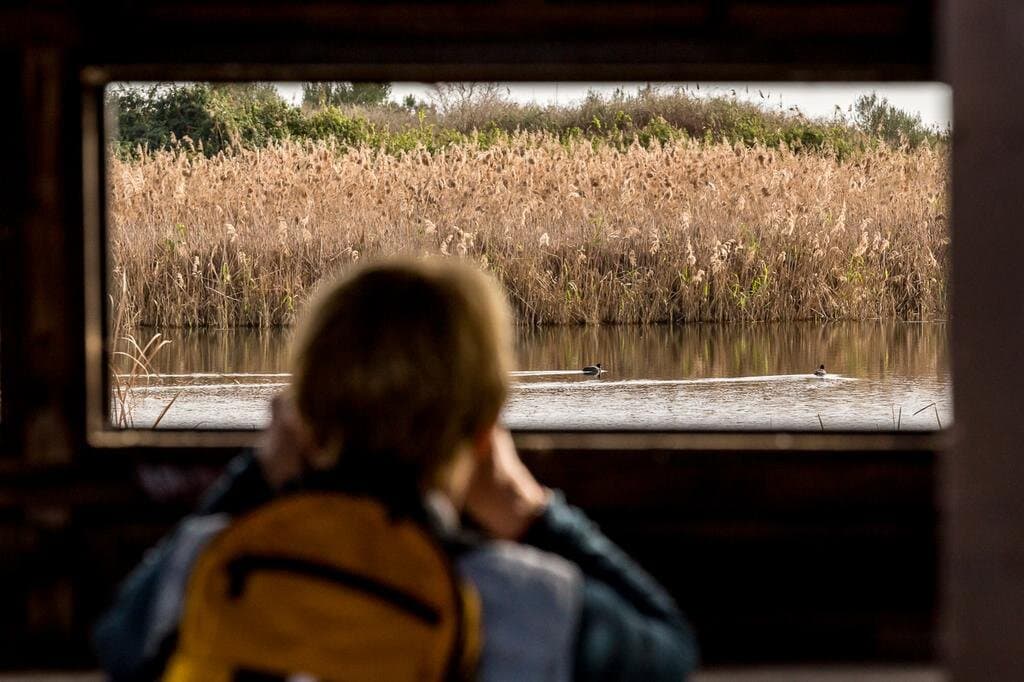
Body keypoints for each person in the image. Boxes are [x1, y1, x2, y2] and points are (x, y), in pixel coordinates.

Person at [94, 258, 698, 681]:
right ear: (483, 432)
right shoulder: (529, 603)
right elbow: (670, 652)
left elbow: (115, 642)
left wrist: (258, 475)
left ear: (306, 421)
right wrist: (526, 507)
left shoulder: (207, 567)